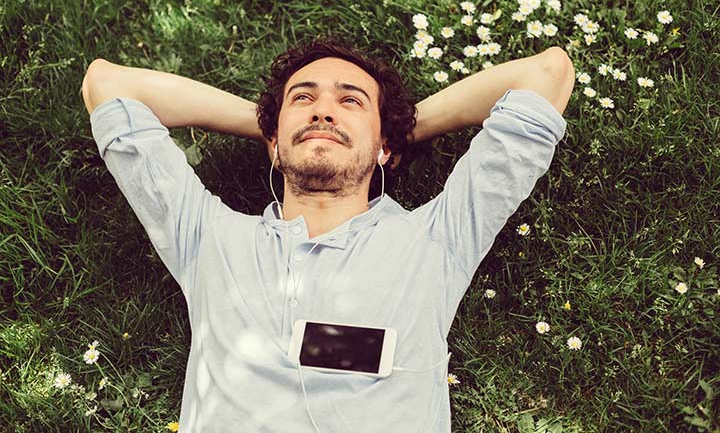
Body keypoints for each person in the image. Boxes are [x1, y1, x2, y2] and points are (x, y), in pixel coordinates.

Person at [82, 36, 574, 432]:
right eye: (304, 99)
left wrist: (392, 131)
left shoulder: (437, 239)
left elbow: (546, 75)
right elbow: (107, 85)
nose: (323, 111)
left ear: (385, 148)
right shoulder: (208, 237)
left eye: (349, 101)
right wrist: (275, 129)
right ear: (273, 142)